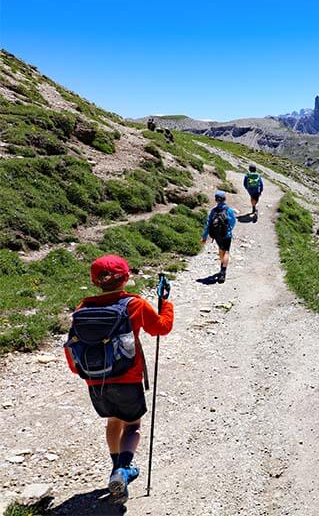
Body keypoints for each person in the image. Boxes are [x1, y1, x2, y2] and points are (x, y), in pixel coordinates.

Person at [64, 255, 174, 504]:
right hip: (128, 377)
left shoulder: (82, 308)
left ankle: (116, 468)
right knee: (132, 425)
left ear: (95, 282)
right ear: (126, 278)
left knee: (113, 422)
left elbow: (72, 345)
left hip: (95, 379)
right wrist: (165, 303)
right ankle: (122, 470)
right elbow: (161, 328)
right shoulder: (133, 304)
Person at [201, 190, 237, 283]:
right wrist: (229, 229)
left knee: (221, 249)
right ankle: (223, 272)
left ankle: (222, 265)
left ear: (216, 200)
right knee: (227, 252)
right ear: (224, 199)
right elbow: (233, 221)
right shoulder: (228, 210)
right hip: (226, 234)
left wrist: (204, 237)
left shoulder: (213, 211)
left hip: (217, 235)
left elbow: (208, 224)